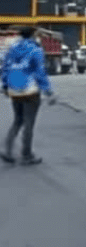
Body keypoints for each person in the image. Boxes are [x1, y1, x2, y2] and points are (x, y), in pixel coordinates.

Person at [1, 26, 56, 165]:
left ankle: (7, 150)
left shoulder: (12, 49)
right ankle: (27, 155)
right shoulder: (35, 50)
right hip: (30, 90)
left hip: (14, 89)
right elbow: (39, 72)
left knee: (17, 120)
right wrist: (48, 92)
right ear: (32, 35)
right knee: (29, 123)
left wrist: (5, 86)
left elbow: (5, 68)